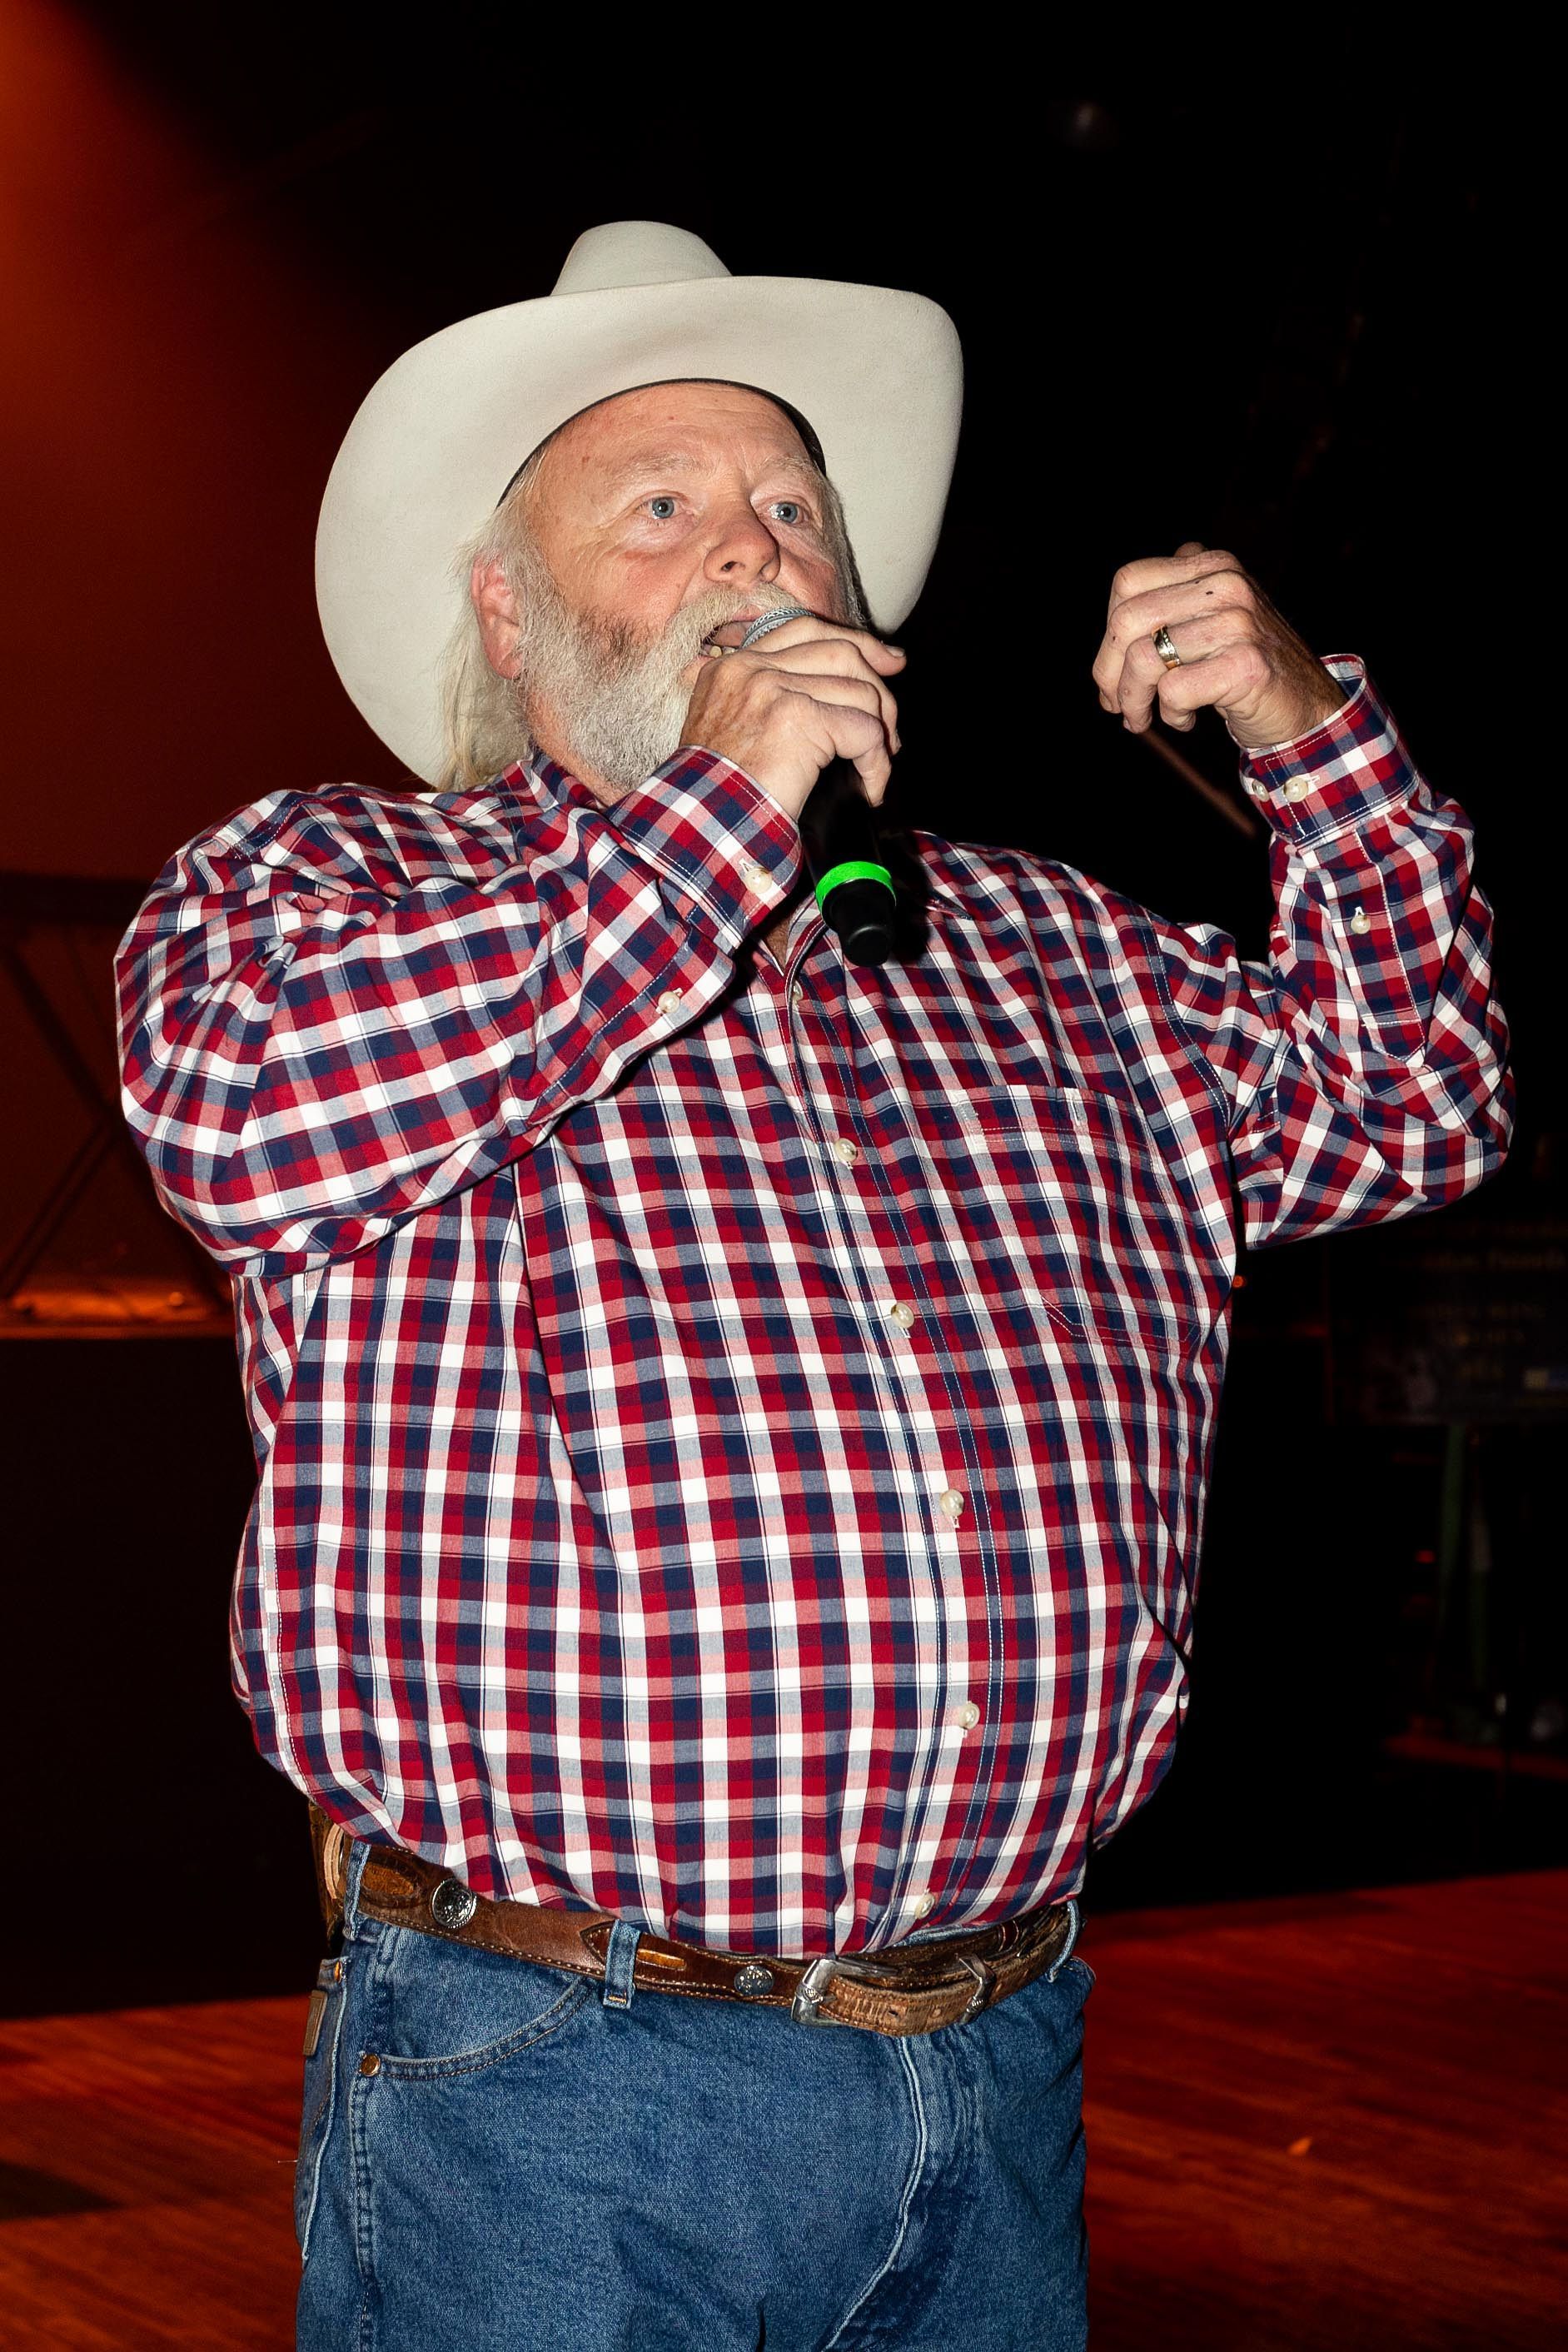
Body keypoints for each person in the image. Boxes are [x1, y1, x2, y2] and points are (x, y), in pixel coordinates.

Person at [115, 222, 1510, 2352]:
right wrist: (711, 815)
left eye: (789, 504)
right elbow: (245, 1120)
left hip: (1000, 2050)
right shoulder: (327, 885)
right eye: (661, 507)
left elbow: (1423, 1098)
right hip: (552, 2080)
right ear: (509, 602)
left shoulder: (1042, 944)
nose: (754, 548)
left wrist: (1309, 736)